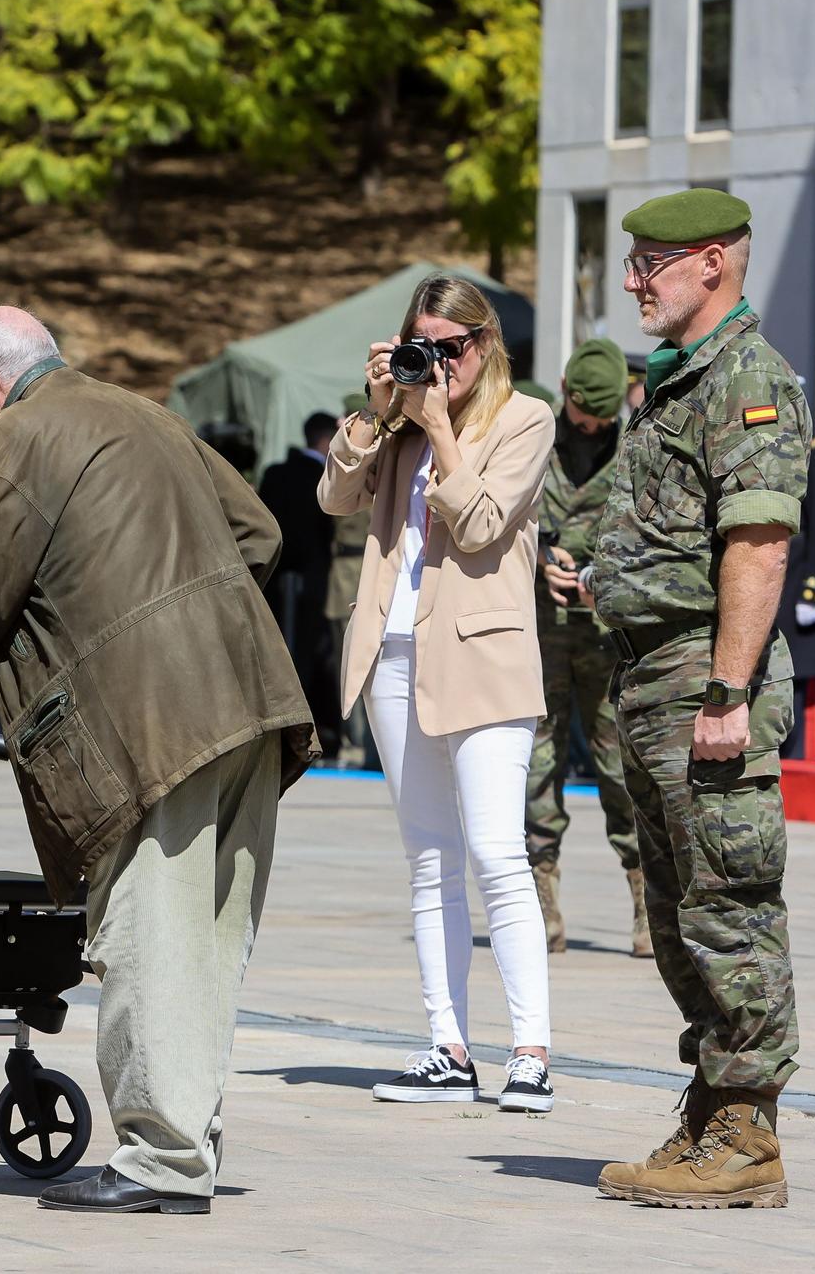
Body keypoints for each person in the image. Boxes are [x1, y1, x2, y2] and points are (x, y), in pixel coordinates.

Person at [0, 307, 315, 1216]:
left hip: (151, 718)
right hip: (251, 695)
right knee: (207, 941)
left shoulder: (18, 435)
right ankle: (188, 1137)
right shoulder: (146, 412)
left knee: (151, 936)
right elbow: (257, 531)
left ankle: (161, 1159)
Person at [585, 189, 803, 1209]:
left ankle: (746, 1133)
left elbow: (756, 545)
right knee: (677, 912)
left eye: (648, 263)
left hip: (700, 683)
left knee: (727, 906)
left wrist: (723, 691)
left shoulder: (747, 381)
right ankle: (712, 1113)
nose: (631, 282)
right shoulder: (672, 384)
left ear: (710, 262)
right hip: (647, 673)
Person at [321, 275, 558, 1114]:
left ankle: (529, 1051)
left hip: (485, 658)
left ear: (484, 344)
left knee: (498, 853)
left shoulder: (524, 418)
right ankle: (446, 1046)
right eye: (424, 344)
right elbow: (335, 497)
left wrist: (439, 430)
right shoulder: (399, 423)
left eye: (452, 348)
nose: (440, 363)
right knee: (429, 858)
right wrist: (377, 408)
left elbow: (484, 521)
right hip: (392, 648)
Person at [526, 337, 645, 958]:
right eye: (581, 414)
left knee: (620, 769)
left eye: (601, 418)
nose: (590, 427)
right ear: (567, 394)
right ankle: (541, 902)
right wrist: (540, 559)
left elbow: (654, 533)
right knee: (537, 768)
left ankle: (645, 903)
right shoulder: (533, 439)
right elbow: (498, 521)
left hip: (606, 638)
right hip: (540, 637)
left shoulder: (637, 448)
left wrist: (601, 569)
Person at [258, 412, 341, 748]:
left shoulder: (275, 473)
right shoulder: (323, 475)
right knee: (312, 655)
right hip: (316, 579)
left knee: (278, 655)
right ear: (324, 441)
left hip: (278, 578)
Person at [777, 432, 815, 759]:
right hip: (777, 580)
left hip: (799, 581)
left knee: (797, 679)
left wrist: (813, 590)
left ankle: (799, 758)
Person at [324, 398, 377, 769]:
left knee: (355, 666)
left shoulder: (365, 459)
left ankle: (359, 746)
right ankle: (362, 745)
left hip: (356, 568)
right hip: (351, 568)